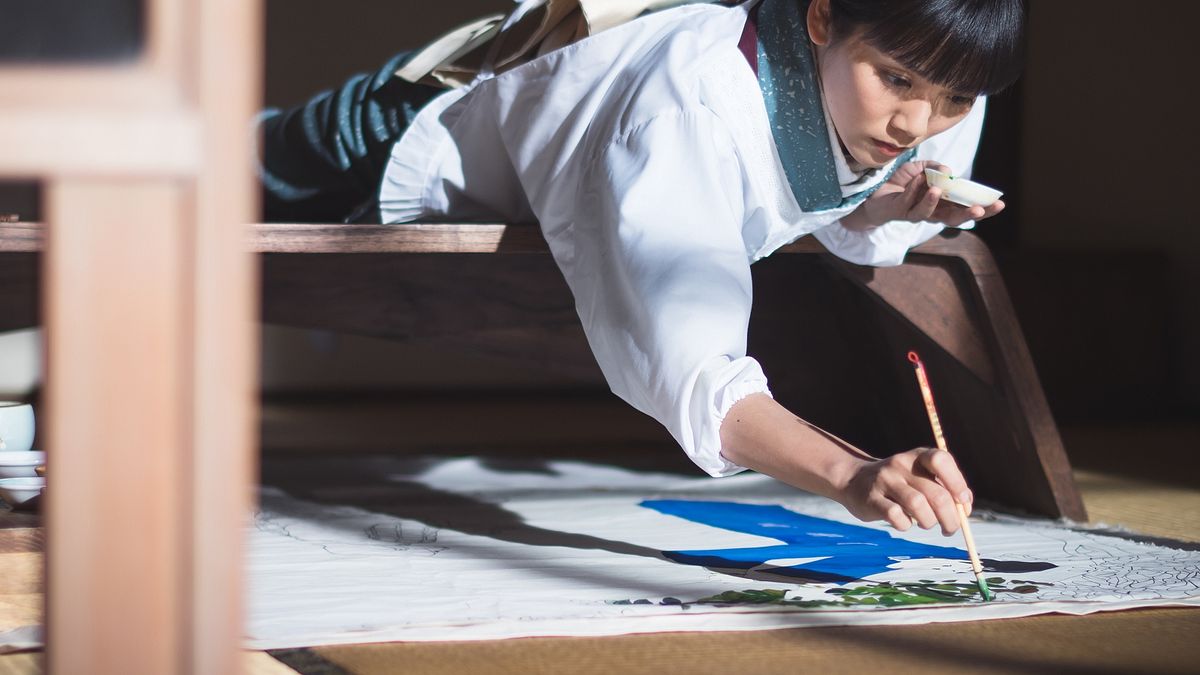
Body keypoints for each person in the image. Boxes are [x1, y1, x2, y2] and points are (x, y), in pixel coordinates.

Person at [258, 0, 1025, 537]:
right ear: (821, 15)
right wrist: (851, 474)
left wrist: (891, 208)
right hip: (406, 140)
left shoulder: (938, 72)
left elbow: (824, 198)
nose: (919, 125)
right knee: (217, 162)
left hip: (572, 139)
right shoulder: (686, 111)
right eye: (896, 82)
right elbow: (693, 371)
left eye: (953, 98)